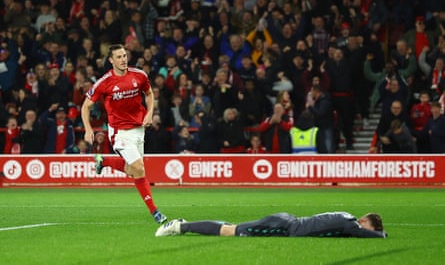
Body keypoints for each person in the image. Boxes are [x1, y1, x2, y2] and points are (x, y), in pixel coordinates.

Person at [81, 44, 167, 224]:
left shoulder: (139, 75)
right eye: (118, 57)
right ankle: (155, 211)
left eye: (124, 56)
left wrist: (150, 113)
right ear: (111, 60)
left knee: (133, 170)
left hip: (138, 129)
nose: (123, 60)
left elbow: (149, 94)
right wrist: (88, 129)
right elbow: (85, 106)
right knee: (139, 168)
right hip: (119, 132)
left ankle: (104, 161)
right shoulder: (104, 82)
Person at [155, 211, 387, 238]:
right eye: (368, 228)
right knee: (230, 231)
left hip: (285, 222)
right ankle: (180, 226)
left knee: (232, 227)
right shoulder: (350, 223)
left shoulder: (344, 216)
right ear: (364, 221)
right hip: (283, 227)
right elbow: (360, 233)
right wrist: (381, 235)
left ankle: (184, 225)